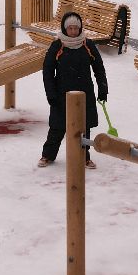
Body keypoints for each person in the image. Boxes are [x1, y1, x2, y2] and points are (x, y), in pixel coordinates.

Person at [39, 11, 108, 168]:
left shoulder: (87, 44)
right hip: (61, 94)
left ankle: (84, 157)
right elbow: (48, 71)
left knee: (84, 127)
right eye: (69, 28)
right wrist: (51, 94)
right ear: (64, 29)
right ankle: (47, 155)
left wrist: (103, 89)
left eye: (76, 28)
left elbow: (99, 68)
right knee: (57, 127)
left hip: (85, 93)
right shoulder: (57, 45)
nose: (73, 31)